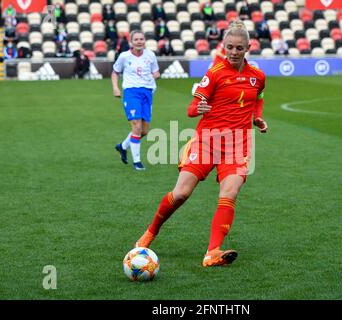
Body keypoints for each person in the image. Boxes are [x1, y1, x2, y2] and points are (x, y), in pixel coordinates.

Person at [134, 20, 268, 267]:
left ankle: (212, 252)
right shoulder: (215, 73)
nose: (234, 52)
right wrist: (200, 108)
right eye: (230, 47)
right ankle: (151, 232)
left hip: (238, 144)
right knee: (182, 193)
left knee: (230, 193)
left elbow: (258, 99)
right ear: (224, 47)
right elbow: (192, 108)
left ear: (248, 47)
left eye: (240, 48)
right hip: (207, 141)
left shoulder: (257, 77)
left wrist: (257, 117)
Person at [111, 30, 160, 171]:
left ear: (144, 41)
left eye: (141, 39)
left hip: (147, 92)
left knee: (144, 131)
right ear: (131, 42)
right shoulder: (124, 56)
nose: (139, 41)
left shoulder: (150, 55)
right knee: (136, 126)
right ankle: (137, 162)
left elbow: (155, 72)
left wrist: (156, 75)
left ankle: (123, 146)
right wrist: (115, 88)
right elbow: (115, 72)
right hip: (131, 92)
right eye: (136, 39)